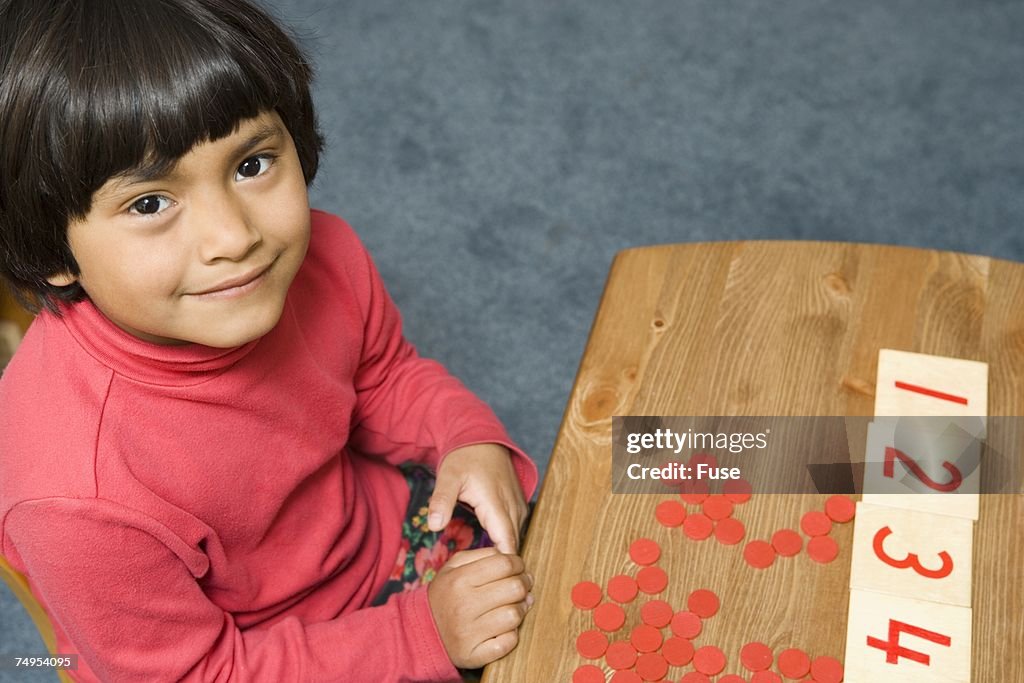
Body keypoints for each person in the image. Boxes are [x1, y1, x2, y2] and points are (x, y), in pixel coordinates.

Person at [0, 0, 538, 680]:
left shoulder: (320, 258)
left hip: (383, 538)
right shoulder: (76, 498)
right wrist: (421, 634)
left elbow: (384, 375)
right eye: (148, 203)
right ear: (52, 247)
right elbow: (199, 672)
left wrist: (463, 434)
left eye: (251, 164)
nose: (236, 237)